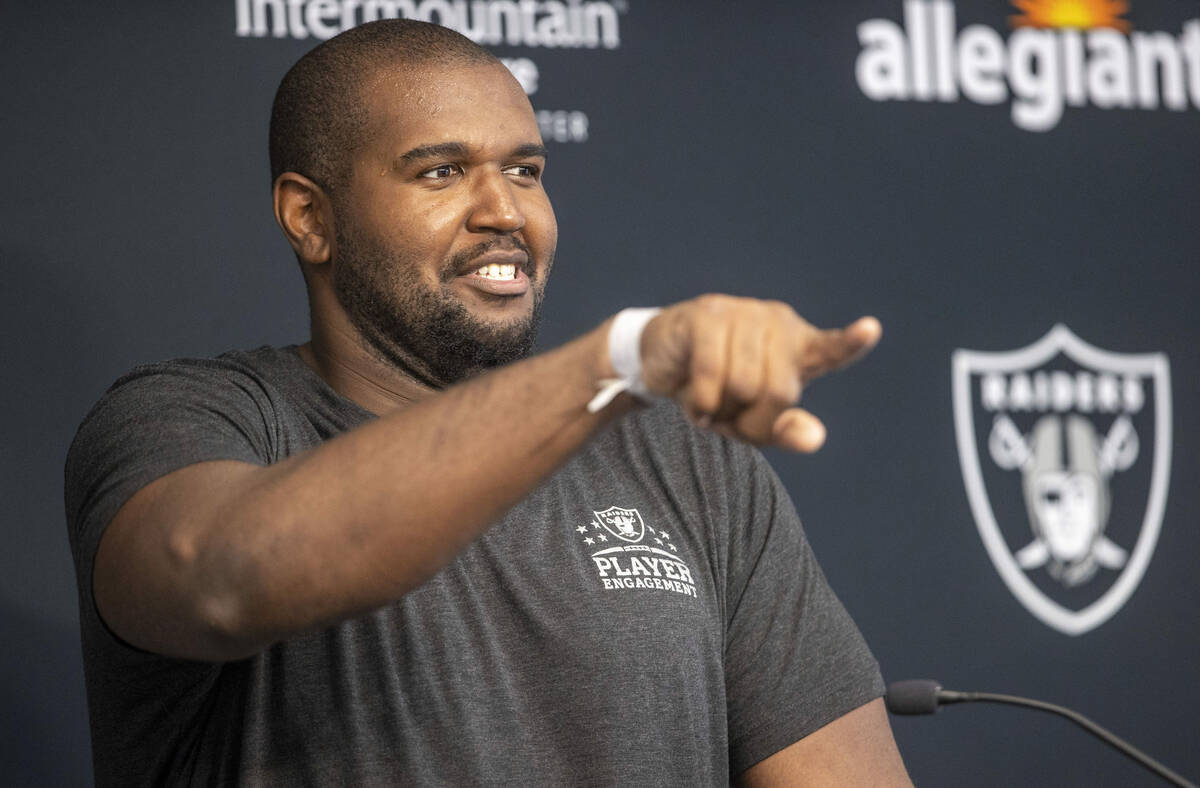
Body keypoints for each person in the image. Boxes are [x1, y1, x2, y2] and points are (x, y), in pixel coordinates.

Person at [65, 19, 913, 787]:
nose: (504, 210)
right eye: (441, 172)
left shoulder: (691, 462)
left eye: (525, 171)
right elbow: (225, 580)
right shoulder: (191, 422)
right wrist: (620, 360)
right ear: (310, 217)